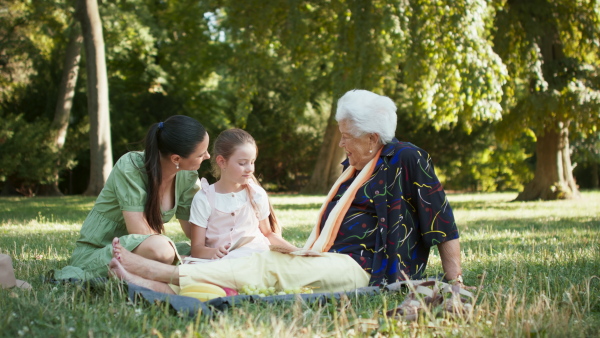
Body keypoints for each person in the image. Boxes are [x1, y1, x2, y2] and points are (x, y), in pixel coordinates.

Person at [108, 89, 466, 294]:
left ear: (373, 138)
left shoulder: (406, 158)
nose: (340, 143)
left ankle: (163, 275)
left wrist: (456, 282)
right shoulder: (356, 167)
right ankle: (161, 287)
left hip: (365, 267)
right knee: (264, 261)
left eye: (346, 136)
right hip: (326, 256)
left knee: (269, 270)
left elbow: (442, 221)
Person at [53, 115, 210, 280]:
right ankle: (174, 269)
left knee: (197, 251)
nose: (207, 156)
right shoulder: (131, 166)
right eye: (201, 154)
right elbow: (140, 232)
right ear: (176, 159)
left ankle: (168, 269)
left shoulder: (187, 176)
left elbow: (195, 232)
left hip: (144, 250)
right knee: (162, 250)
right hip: (102, 251)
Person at [189, 128, 298, 261]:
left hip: (257, 258)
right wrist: (213, 252)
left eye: (252, 162)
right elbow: (197, 249)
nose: (250, 169)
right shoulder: (204, 199)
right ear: (222, 162)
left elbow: (268, 234)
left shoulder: (256, 194)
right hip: (223, 263)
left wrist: (297, 251)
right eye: (242, 163)